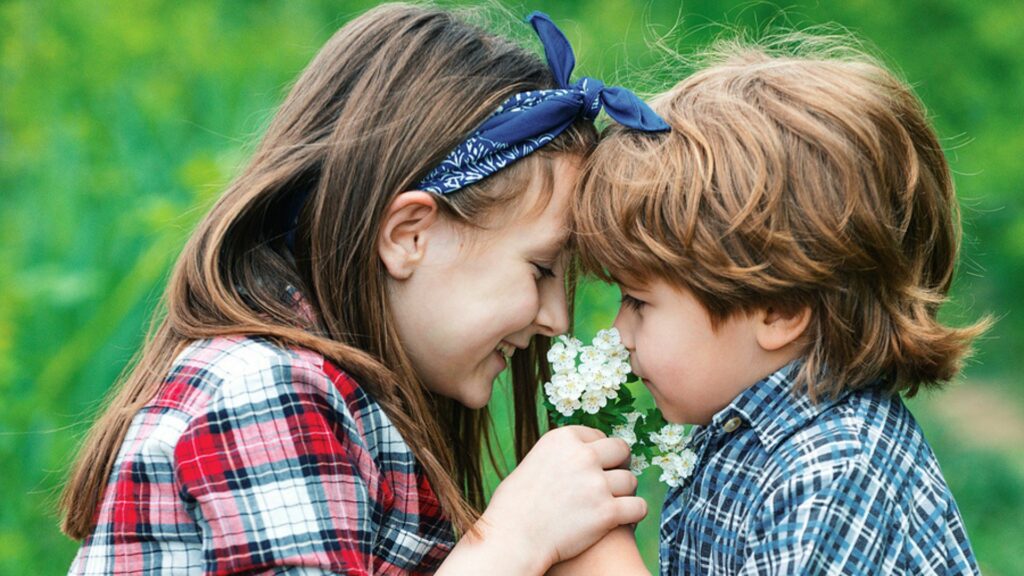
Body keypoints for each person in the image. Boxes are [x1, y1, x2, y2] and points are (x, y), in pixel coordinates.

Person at [59, 5, 669, 574]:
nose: (558, 320)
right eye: (540, 269)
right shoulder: (263, 390)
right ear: (408, 236)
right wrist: (516, 540)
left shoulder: (363, 405)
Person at [561, 35, 989, 574]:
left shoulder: (832, 476)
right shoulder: (746, 432)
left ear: (779, 312)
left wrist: (604, 555)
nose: (621, 331)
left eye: (639, 302)